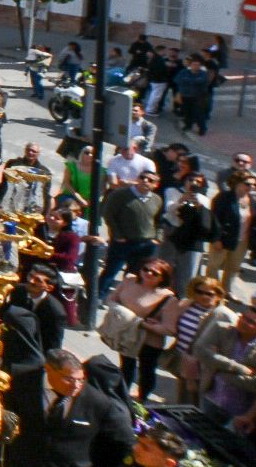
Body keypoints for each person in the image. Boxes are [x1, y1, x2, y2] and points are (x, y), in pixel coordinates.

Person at [2, 347, 135, 467]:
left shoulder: (98, 403)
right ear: (48, 369)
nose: (76, 386)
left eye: (80, 379)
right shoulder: (20, 380)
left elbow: (118, 445)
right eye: (69, 379)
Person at [195, 291, 256, 433]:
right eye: (244, 317)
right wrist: (239, 368)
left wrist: (219, 371)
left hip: (240, 412)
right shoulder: (222, 329)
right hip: (211, 397)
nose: (243, 322)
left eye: (251, 322)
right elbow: (200, 351)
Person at [108, 256, 175, 401]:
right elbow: (112, 300)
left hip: (149, 341)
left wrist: (144, 324)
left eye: (155, 273)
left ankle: (142, 399)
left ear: (163, 278)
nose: (148, 273)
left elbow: (170, 329)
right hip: (127, 334)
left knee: (146, 371)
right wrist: (124, 314)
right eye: (146, 269)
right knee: (126, 366)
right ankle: (122, 396)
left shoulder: (168, 298)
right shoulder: (129, 280)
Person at [162, 275, 231, 405]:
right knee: (183, 395)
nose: (204, 296)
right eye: (199, 292)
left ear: (218, 295)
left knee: (198, 399)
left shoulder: (222, 315)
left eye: (209, 294)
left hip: (203, 365)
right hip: (182, 357)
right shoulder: (187, 306)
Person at [97, 170, 163, 300]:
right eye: (142, 177)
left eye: (150, 180)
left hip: (146, 244)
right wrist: (117, 235)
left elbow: (159, 220)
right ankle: (98, 297)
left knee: (134, 275)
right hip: (123, 242)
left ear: (156, 185)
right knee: (111, 271)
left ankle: (123, 298)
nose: (145, 181)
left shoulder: (157, 199)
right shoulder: (120, 194)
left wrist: (158, 238)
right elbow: (108, 215)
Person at [159, 172, 213, 291]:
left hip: (190, 235)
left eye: (198, 182)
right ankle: (162, 289)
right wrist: (182, 199)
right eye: (191, 179)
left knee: (187, 270)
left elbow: (205, 219)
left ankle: (181, 294)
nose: (193, 183)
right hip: (172, 230)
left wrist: (198, 205)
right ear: (185, 180)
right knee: (166, 264)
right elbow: (169, 209)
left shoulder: (204, 199)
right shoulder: (172, 191)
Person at [208, 171, 256, 302]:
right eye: (247, 184)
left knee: (233, 267)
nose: (251, 187)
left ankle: (227, 291)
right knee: (214, 265)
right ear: (237, 183)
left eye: (253, 185)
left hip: (242, 240)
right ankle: (212, 291)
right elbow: (214, 219)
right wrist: (216, 239)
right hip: (223, 239)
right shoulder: (224, 197)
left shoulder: (251, 200)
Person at [5, 264, 66, 353]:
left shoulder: (56, 312)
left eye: (37, 280)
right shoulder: (18, 291)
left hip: (35, 352)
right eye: (30, 276)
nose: (31, 281)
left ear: (49, 287)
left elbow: (54, 345)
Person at [174, 53, 212, 136]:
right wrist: (191, 82)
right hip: (185, 96)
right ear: (190, 65)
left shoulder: (202, 74)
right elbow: (177, 80)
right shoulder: (184, 72)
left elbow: (201, 82)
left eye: (198, 65)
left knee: (199, 113)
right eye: (194, 65)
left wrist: (188, 81)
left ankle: (202, 128)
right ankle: (188, 125)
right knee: (187, 112)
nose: (196, 66)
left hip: (198, 97)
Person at [58, 146, 97, 213]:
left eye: (93, 153)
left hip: (89, 202)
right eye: (87, 153)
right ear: (82, 154)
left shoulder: (99, 170)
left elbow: (101, 188)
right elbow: (66, 183)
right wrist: (80, 199)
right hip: (70, 197)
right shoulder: (71, 166)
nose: (90, 155)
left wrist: (90, 201)